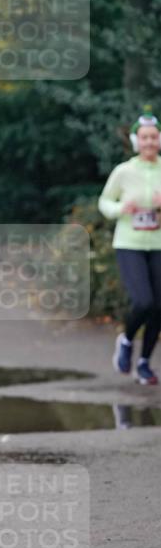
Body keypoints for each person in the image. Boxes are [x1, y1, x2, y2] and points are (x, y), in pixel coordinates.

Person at [98, 109, 161, 385]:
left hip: (158, 244)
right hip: (130, 244)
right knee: (143, 301)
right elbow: (104, 203)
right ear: (137, 141)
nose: (149, 142)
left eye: (154, 137)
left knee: (159, 307)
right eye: (144, 137)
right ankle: (125, 340)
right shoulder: (124, 171)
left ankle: (145, 362)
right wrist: (122, 207)